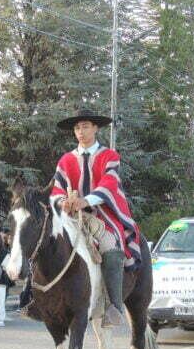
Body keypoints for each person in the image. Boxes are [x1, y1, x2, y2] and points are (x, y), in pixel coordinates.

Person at [50, 108, 143, 327]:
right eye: (76, 128)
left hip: (102, 214)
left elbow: (109, 184)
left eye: (84, 126)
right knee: (46, 241)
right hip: (71, 215)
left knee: (110, 246)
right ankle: (35, 296)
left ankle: (115, 306)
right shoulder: (65, 160)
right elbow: (56, 190)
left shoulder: (109, 156)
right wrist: (63, 201)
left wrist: (86, 201)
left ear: (95, 128)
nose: (80, 132)